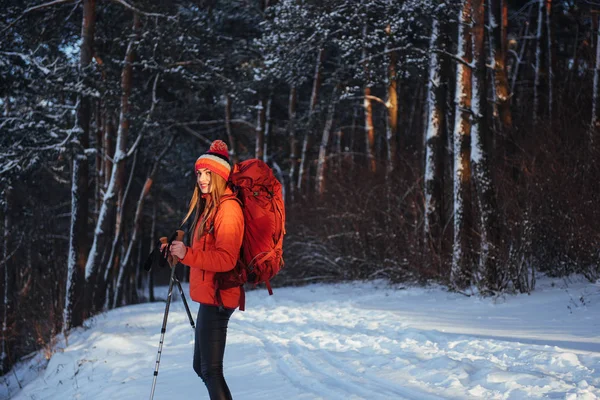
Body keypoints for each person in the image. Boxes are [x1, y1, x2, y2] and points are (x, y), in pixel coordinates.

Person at [167, 140, 243, 400]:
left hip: (220, 297)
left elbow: (226, 260)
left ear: (220, 176)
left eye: (207, 173)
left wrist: (187, 254)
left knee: (211, 370)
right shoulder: (208, 207)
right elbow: (204, 252)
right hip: (209, 296)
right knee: (201, 367)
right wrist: (179, 252)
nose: (201, 178)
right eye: (199, 173)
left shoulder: (229, 210)